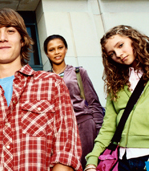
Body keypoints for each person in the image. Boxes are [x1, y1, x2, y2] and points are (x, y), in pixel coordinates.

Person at [0, 8, 82, 171]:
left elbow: (66, 152)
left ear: (22, 40)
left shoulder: (51, 84)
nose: (2, 38)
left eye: (10, 31)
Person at [85, 25, 149, 171]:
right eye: (111, 53)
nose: (118, 54)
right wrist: (92, 160)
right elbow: (108, 127)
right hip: (124, 159)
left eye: (121, 45)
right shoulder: (117, 85)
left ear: (133, 40)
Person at [43, 34, 104, 168]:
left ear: (66, 49)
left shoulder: (79, 72)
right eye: (52, 49)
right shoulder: (44, 78)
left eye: (60, 47)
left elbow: (94, 102)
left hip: (84, 125)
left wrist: (99, 132)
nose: (57, 52)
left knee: (88, 165)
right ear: (46, 53)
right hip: (59, 130)